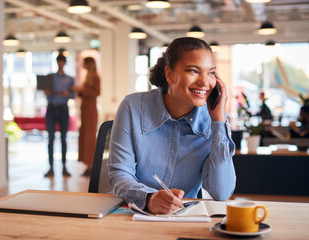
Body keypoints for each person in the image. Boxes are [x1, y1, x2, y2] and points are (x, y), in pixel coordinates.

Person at [108, 37, 236, 214]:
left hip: (185, 217)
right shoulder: (132, 107)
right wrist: (149, 198)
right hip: (134, 212)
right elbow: (120, 174)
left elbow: (221, 192)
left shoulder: (213, 121)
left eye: (211, 73)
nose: (205, 82)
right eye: (193, 71)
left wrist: (219, 122)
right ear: (169, 75)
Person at [43, 54, 75, 177]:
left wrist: (67, 94)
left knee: (63, 139)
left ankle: (64, 168)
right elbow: (45, 92)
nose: (60, 63)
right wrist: (47, 92)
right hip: (51, 108)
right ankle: (50, 167)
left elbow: (73, 96)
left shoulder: (69, 79)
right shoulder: (50, 77)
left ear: (65, 63)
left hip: (63, 109)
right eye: (59, 61)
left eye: (62, 61)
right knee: (50, 139)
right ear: (57, 62)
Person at [72, 57, 101, 176]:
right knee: (85, 136)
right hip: (85, 110)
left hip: (90, 110)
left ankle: (92, 166)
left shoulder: (95, 76)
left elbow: (97, 92)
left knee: (90, 138)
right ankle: (88, 165)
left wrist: (83, 90)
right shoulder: (89, 76)